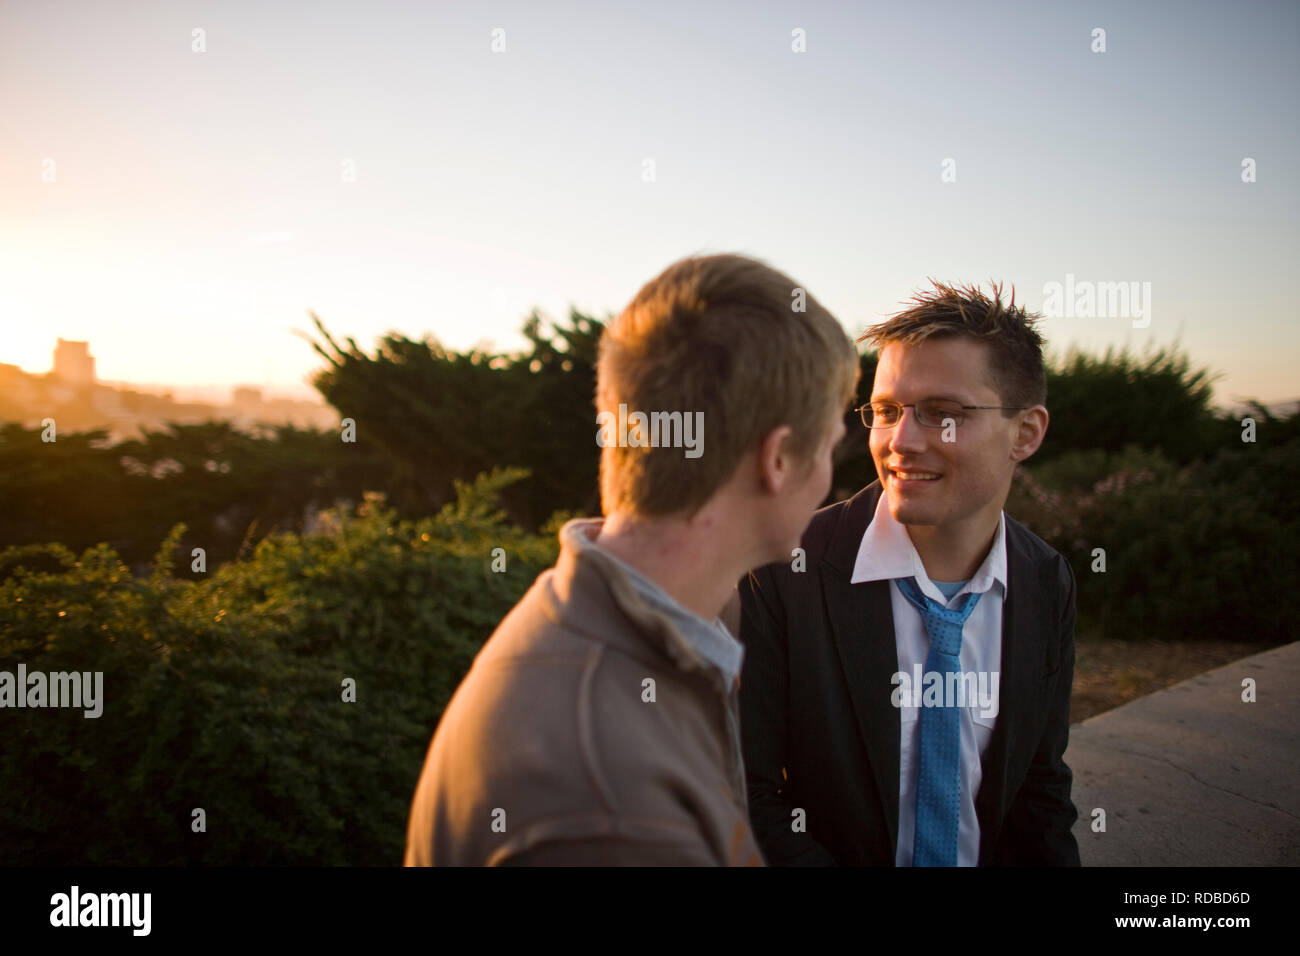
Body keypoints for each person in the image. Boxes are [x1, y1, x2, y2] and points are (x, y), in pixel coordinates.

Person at [405, 252, 859, 865]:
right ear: (776, 460)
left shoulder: (598, 625)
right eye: (831, 445)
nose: (832, 481)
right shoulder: (609, 805)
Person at [737, 280, 1081, 866]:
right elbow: (743, 795)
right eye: (887, 411)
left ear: (1026, 433)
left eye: (943, 414)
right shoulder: (779, 570)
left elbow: (1040, 789)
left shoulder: (1046, 579)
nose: (900, 440)